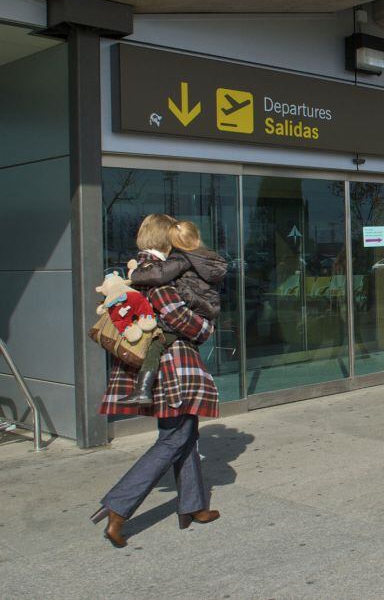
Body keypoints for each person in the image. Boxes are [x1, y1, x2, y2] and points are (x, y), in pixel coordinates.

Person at [92, 214, 220, 548]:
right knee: (174, 438)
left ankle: (193, 506)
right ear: (169, 241)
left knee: (185, 432)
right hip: (173, 366)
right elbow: (189, 325)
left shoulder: (138, 271)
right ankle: (118, 507)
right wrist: (207, 327)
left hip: (157, 365)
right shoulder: (162, 280)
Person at [121, 221, 227, 405]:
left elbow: (159, 275)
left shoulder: (181, 259)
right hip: (204, 308)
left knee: (155, 346)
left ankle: (143, 390)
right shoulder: (206, 257)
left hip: (188, 316)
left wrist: (134, 275)